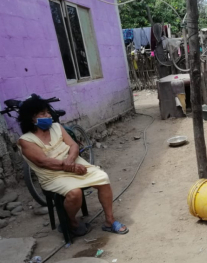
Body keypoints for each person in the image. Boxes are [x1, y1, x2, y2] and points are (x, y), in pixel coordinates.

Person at [17, 96, 128, 236]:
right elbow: (43, 162)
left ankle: (110, 221)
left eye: (48, 112)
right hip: (52, 175)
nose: (48, 116)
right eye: (43, 114)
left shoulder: (57, 127)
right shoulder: (25, 141)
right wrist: (71, 167)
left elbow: (73, 145)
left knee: (103, 178)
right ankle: (70, 222)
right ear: (32, 118)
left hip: (73, 164)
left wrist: (70, 160)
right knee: (74, 192)